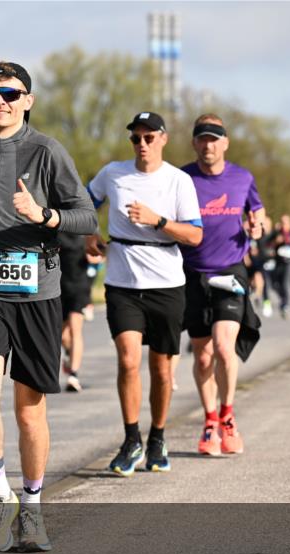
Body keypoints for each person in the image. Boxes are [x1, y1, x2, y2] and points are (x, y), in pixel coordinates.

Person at [0, 61, 97, 552]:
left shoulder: (47, 151)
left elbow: (86, 215)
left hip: (38, 292)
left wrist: (43, 214)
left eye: (10, 93)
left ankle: (31, 505)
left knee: (29, 411)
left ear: (27, 100)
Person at [86, 111, 202, 476]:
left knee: (162, 370)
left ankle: (158, 437)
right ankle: (131, 438)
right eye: (136, 138)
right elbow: (84, 202)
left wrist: (158, 220)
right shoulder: (113, 173)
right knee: (127, 360)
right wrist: (88, 233)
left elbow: (195, 235)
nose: (142, 144)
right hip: (122, 282)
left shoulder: (179, 181)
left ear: (163, 139)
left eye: (149, 137)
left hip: (166, 284)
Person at [178, 115, 264, 456]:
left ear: (225, 143)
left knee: (225, 347)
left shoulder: (242, 178)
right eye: (202, 138)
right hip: (192, 272)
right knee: (202, 359)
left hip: (230, 270)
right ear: (194, 142)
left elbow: (258, 211)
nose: (208, 144)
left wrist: (257, 227)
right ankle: (210, 421)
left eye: (214, 139)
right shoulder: (182, 178)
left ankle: (228, 418)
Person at [58, 230, 92, 392]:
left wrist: (95, 255)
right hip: (58, 286)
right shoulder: (55, 223)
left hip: (79, 286)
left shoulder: (85, 225)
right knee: (62, 335)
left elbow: (98, 252)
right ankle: (69, 353)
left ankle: (73, 374)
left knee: (75, 329)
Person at [269, 214, 290, 319]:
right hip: (278, 262)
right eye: (282, 222)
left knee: (286, 282)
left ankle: (285, 305)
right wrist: (275, 242)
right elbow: (269, 245)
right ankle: (283, 298)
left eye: (286, 222)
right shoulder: (276, 233)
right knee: (275, 284)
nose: (284, 224)